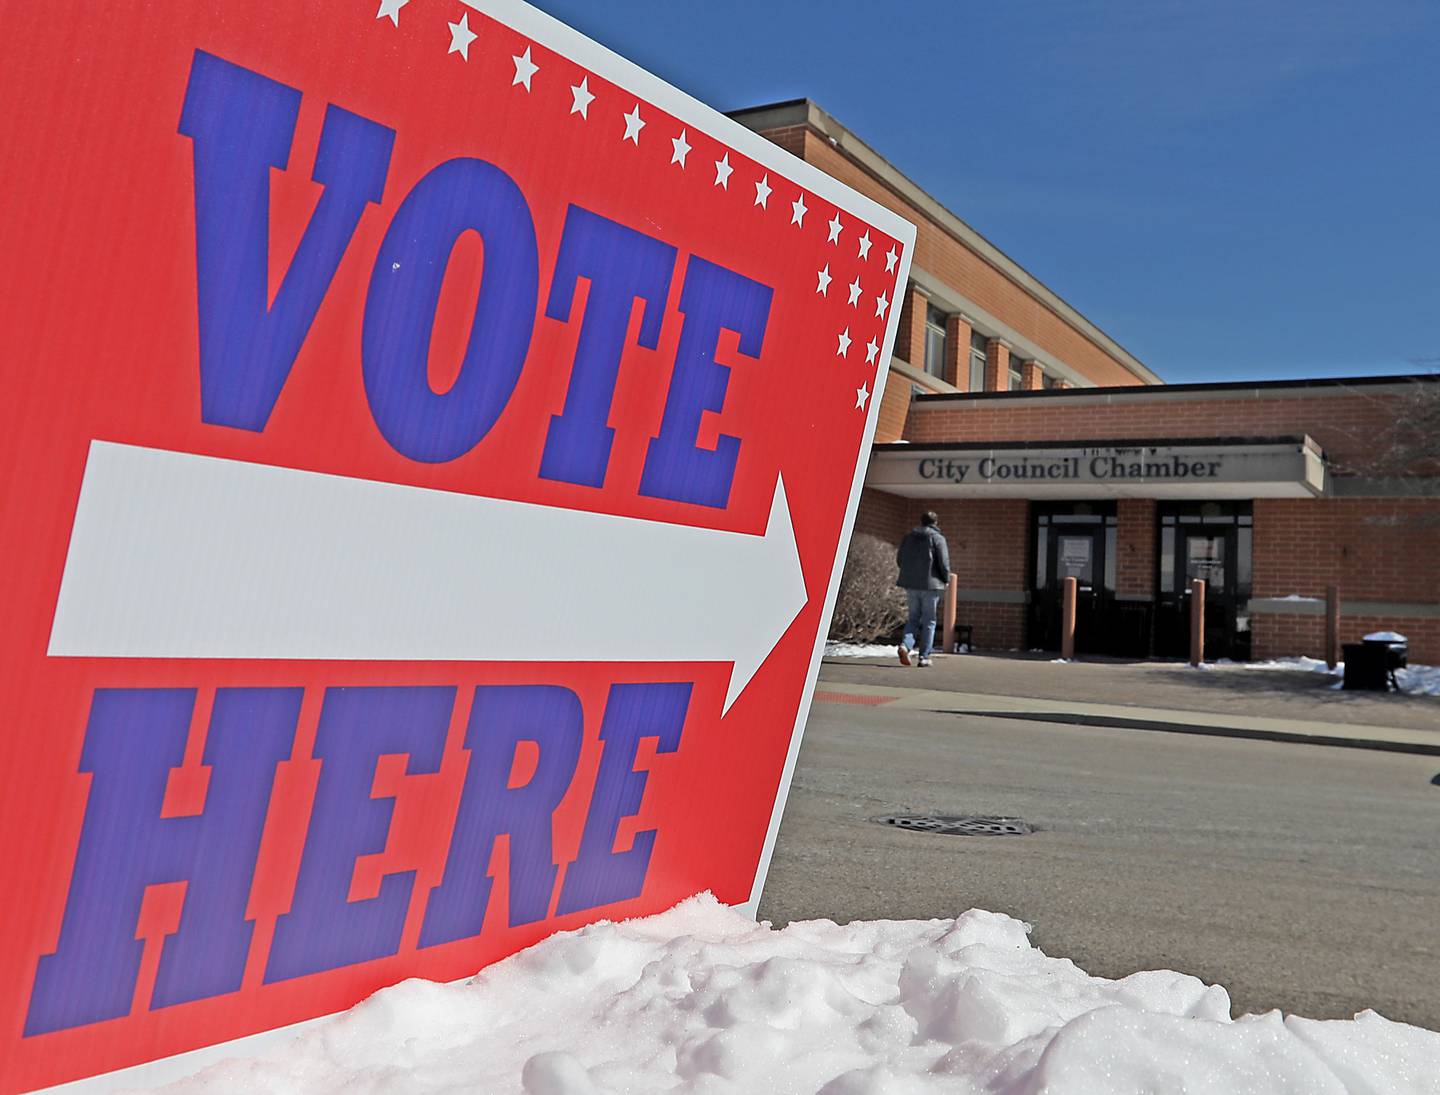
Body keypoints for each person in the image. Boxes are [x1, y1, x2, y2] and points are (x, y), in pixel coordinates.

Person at [895, 511, 951, 667]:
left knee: (913, 618)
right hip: (931, 586)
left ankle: (905, 646)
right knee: (929, 621)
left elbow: (900, 560)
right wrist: (946, 579)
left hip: (912, 585)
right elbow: (943, 562)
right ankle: (924, 657)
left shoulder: (908, 538)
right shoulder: (938, 538)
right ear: (935, 523)